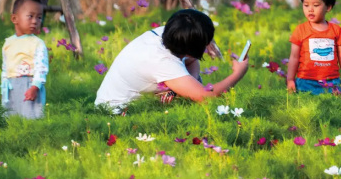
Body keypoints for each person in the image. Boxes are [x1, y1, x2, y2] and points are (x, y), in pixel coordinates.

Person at [95, 9, 248, 112]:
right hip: (115, 112)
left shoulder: (170, 34)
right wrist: (238, 74)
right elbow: (206, 97)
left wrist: (189, 84)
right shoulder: (162, 61)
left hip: (132, 103)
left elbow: (191, 59)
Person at [286, 0, 341, 94]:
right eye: (306, 5)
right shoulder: (300, 30)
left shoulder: (336, 30)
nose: (310, 9)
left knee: (332, 109)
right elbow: (294, 57)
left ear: (328, 7)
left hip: (331, 83)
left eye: (316, 5)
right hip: (305, 82)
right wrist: (290, 79)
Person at [1, 0, 49, 119]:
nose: (35, 21)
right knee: (11, 116)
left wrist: (35, 86)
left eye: (39, 17)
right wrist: (3, 86)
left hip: (29, 84)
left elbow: (41, 67)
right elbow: (5, 66)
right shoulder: (8, 43)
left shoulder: (37, 43)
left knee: (30, 116)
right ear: (14, 18)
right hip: (11, 86)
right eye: (30, 16)